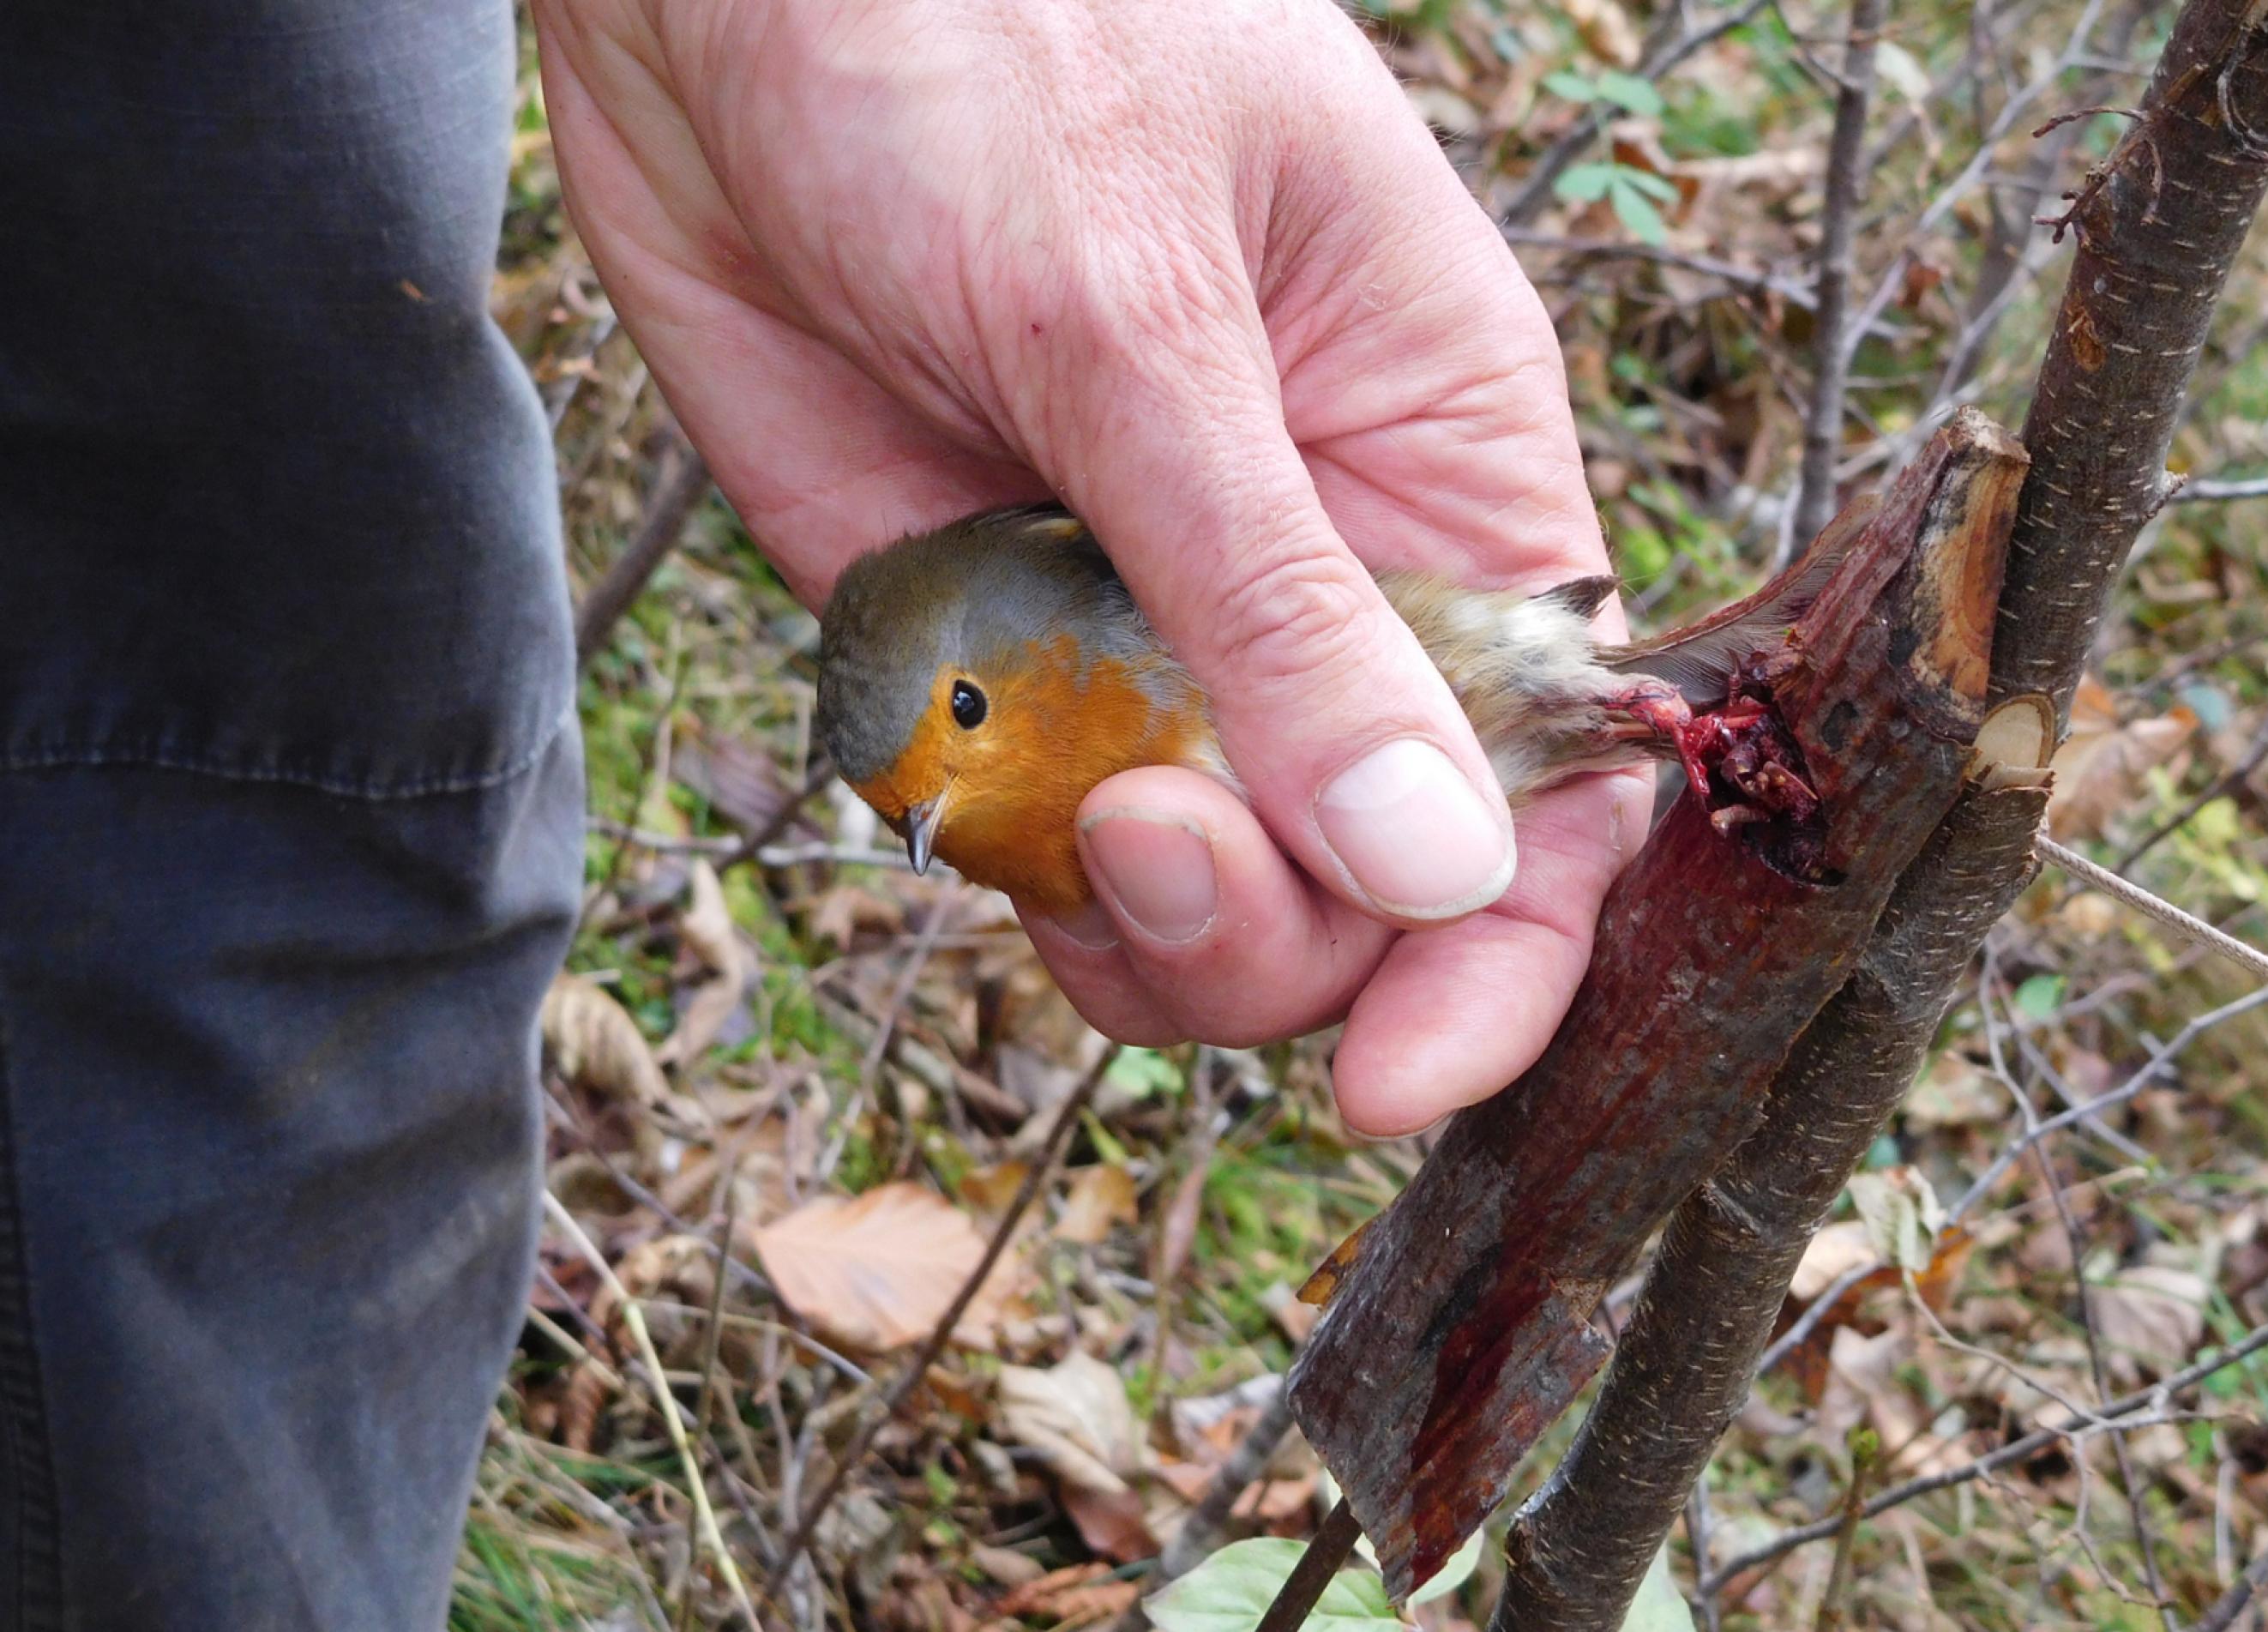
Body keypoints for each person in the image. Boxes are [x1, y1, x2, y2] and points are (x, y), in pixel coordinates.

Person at [0, 0, 1646, 1622]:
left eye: (960, 740)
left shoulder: (1079, 650)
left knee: (320, 779)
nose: (933, 835)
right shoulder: (994, 769)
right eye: (910, 812)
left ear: (990, 670)